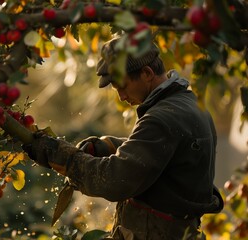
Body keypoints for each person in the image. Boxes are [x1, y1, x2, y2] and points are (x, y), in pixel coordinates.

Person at [22, 37, 224, 240]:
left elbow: (114, 180)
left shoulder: (161, 119)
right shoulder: (188, 104)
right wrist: (108, 146)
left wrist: (63, 156)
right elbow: (162, 153)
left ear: (146, 73)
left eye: (122, 86)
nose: (121, 96)